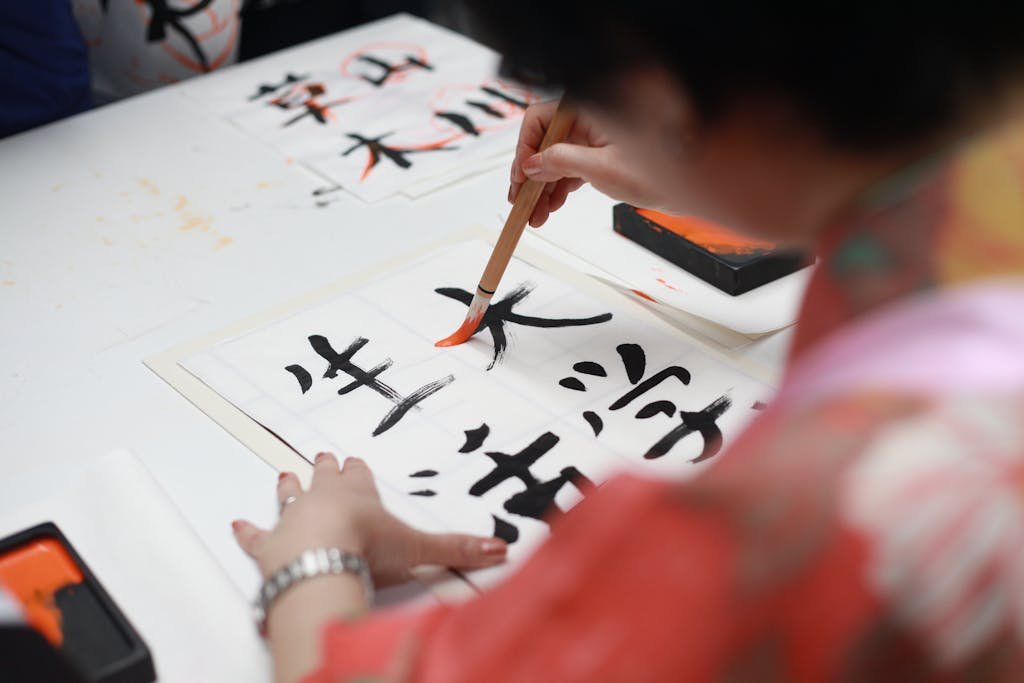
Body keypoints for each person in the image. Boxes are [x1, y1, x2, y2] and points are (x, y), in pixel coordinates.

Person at [230, 4, 1024, 681]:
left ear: (659, 93)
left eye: (596, 93)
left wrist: (312, 563)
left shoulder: (799, 521)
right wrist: (702, 160)